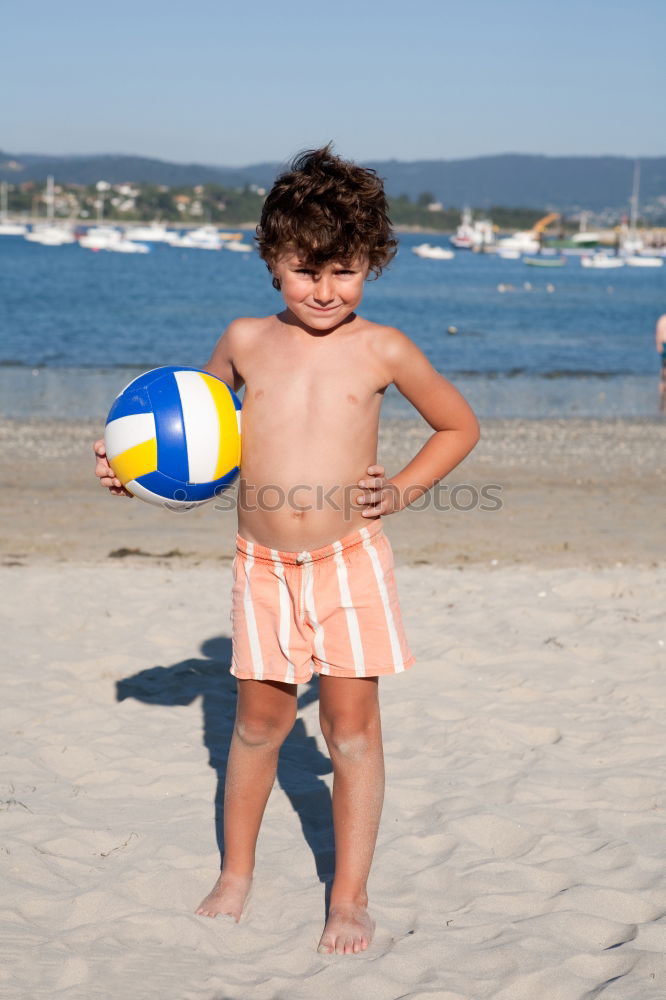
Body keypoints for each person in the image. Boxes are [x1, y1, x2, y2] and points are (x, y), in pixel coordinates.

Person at [93, 145, 480, 955]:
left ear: (371, 262)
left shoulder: (384, 348)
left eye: (345, 271)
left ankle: (349, 895)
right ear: (273, 259)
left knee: (350, 730)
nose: (326, 290)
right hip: (262, 567)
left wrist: (402, 488)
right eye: (308, 270)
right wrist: (131, 470)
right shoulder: (242, 340)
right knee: (262, 724)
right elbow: (193, 440)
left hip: (349, 562)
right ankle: (238, 873)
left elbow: (459, 424)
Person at [656, 313, 666, 413]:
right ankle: (662, 402)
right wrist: (659, 345)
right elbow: (658, 333)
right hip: (665, 346)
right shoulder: (663, 319)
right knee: (664, 371)